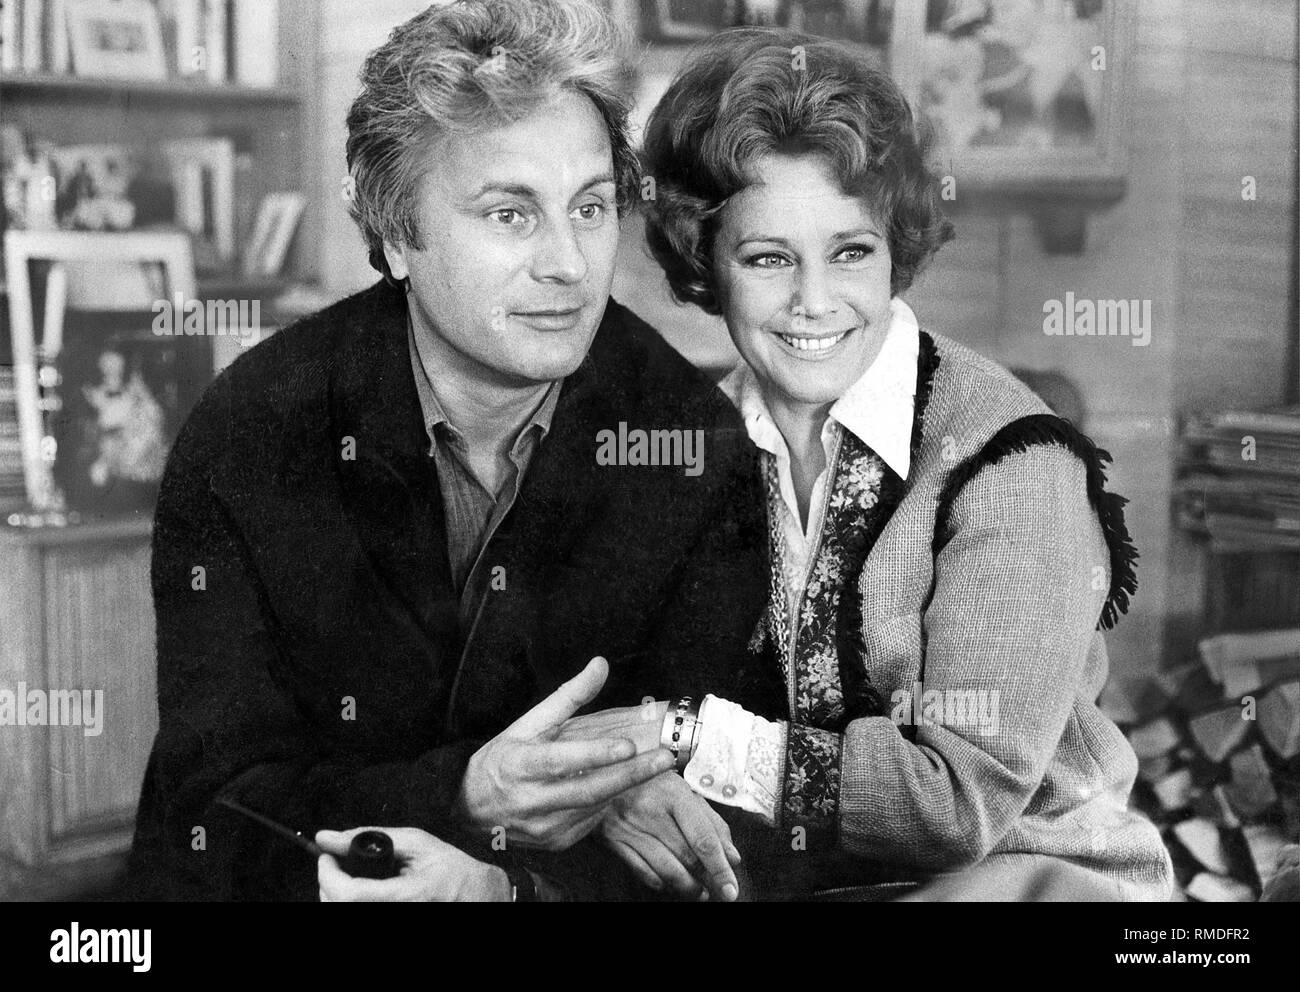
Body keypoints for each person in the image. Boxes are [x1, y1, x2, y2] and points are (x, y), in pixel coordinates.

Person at [125, 0, 769, 902]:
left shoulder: (691, 445)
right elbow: (212, 811)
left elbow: (701, 806)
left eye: (590, 207)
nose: (571, 265)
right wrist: (463, 795)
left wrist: (517, 866)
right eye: (510, 215)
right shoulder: (253, 430)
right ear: (394, 235)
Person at [555, 27, 1175, 901]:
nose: (815, 303)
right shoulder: (683, 444)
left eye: (851, 252)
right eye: (768, 258)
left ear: (897, 249)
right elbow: (598, 682)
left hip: (1027, 880)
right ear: (707, 265)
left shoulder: (1014, 463)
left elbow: (955, 805)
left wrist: (683, 736)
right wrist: (632, 778)